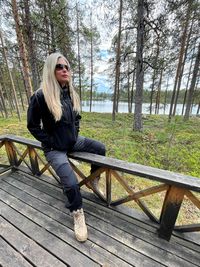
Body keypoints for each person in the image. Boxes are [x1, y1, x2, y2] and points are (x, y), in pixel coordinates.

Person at [27, 52, 106, 242]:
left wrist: (75, 133)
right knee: (70, 183)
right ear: (51, 70)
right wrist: (51, 142)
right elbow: (32, 126)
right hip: (55, 148)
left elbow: (77, 117)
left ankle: (94, 180)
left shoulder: (69, 92)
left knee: (100, 149)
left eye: (66, 67)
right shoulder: (39, 97)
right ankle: (77, 213)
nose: (64, 70)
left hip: (72, 142)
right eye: (59, 67)